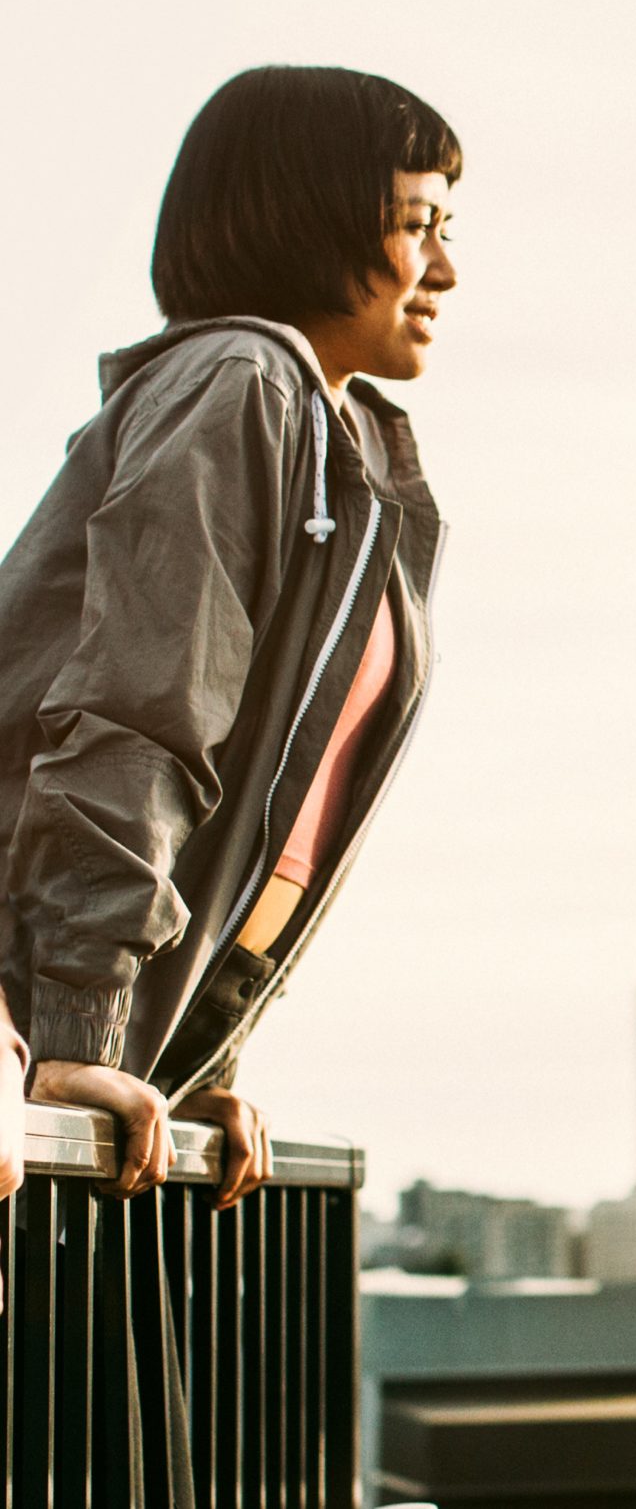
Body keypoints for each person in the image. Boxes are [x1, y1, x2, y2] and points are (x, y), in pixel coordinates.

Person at [0, 64, 459, 1210]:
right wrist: (79, 1031)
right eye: (417, 225)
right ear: (310, 217)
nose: (445, 270)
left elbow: (269, 816)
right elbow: (139, 717)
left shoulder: (341, 447)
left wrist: (203, 1054)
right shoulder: (240, 384)